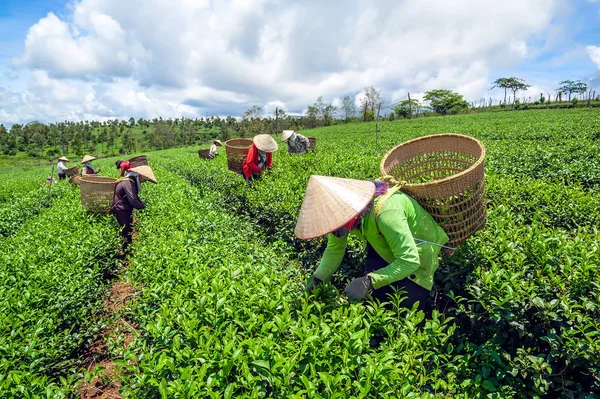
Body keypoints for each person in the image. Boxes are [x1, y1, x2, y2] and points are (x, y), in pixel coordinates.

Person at [295, 175, 450, 312]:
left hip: (417, 255)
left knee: (406, 306)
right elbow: (334, 250)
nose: (333, 230)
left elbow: (409, 260)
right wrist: (317, 279)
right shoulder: (344, 217)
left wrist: (369, 282)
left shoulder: (387, 212)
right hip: (380, 242)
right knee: (377, 300)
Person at [112, 165, 157, 248]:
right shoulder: (128, 183)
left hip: (125, 209)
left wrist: (143, 205)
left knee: (129, 228)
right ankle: (126, 250)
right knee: (126, 230)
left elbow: (135, 198)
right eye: (144, 179)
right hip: (121, 210)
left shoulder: (131, 181)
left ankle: (128, 248)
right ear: (139, 176)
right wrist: (143, 208)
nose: (144, 181)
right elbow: (133, 200)